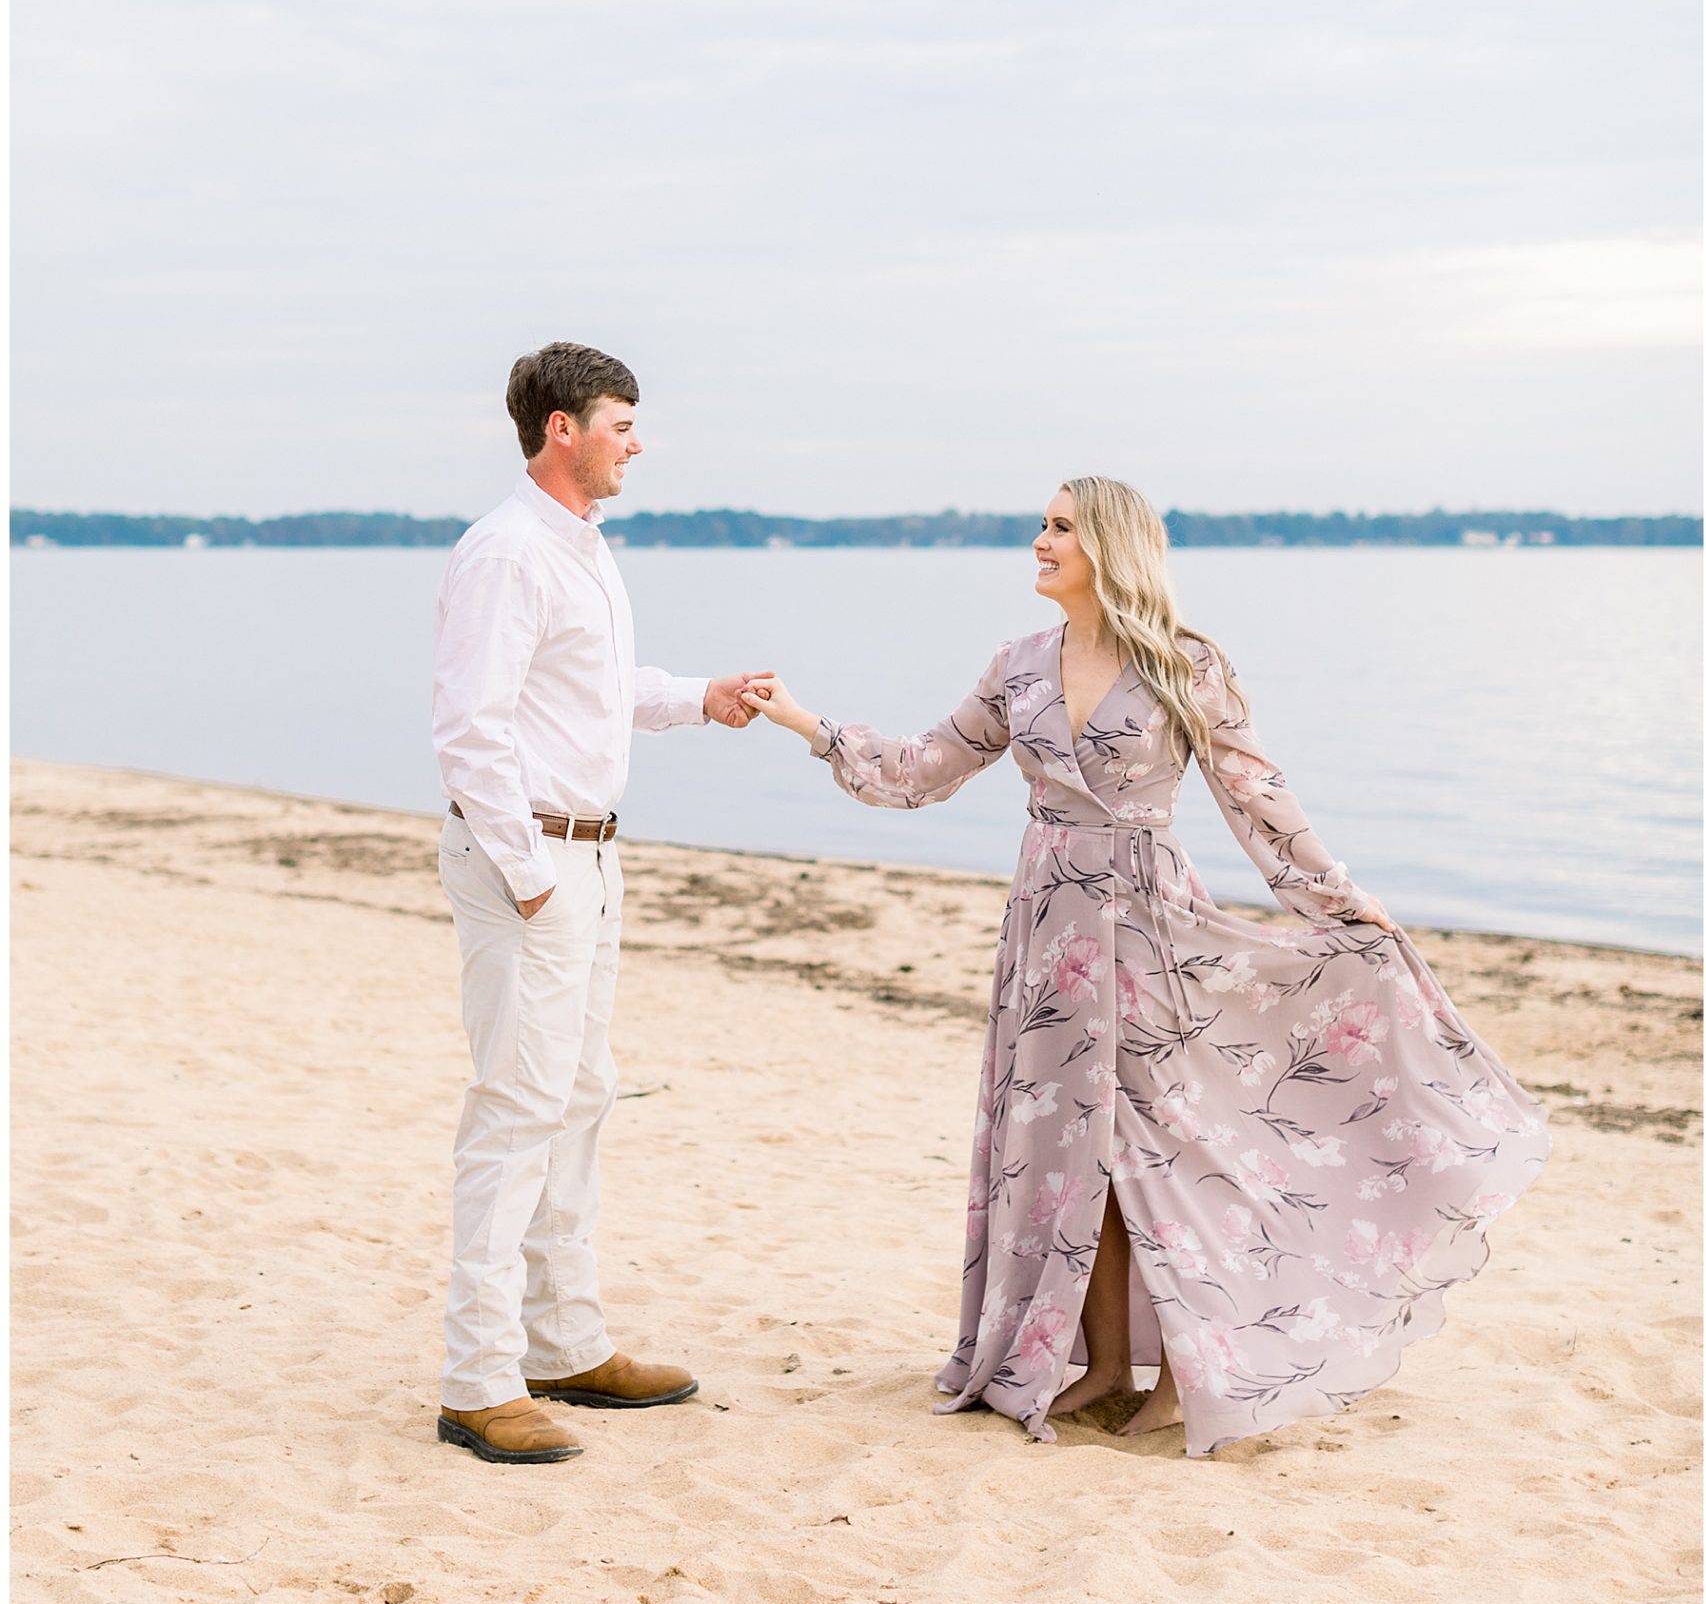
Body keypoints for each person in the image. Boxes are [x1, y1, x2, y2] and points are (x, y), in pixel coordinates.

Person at [741, 476, 1548, 1458]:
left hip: (1150, 922)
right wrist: (805, 722)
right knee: (1074, 1153)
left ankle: (1184, 1376)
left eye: (1061, 527)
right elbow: (923, 769)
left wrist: (1338, 900)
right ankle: (1103, 1367)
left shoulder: (1182, 663)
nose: (1039, 540)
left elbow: (1255, 794)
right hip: (1047, 933)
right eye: (1043, 524)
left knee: (1166, 1146)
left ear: (1109, 546)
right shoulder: (1019, 665)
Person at [431, 341, 770, 1465]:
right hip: (532, 866)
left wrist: (699, 698)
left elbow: (592, 693)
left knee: (581, 1096)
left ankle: (563, 1344)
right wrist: (530, 876)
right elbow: (471, 727)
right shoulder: (506, 552)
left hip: (593, 860)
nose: (638, 441)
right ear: (562, 429)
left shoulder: (585, 552)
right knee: (517, 1109)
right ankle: (479, 1381)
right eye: (622, 421)